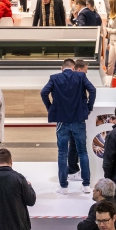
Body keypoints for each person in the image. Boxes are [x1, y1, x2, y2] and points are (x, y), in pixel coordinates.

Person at [41, 58, 96, 193]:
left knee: (62, 153)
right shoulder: (81, 76)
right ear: (73, 67)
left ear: (62, 68)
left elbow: (43, 92)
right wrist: (88, 107)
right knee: (82, 152)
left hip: (62, 121)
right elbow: (93, 90)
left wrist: (51, 107)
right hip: (78, 120)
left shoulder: (54, 78)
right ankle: (86, 184)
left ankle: (63, 186)